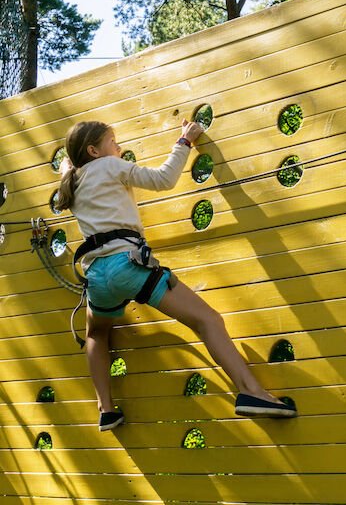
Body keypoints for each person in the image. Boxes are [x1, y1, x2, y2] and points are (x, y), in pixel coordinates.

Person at [58, 119, 297, 431]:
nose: (119, 148)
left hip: (96, 277)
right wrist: (184, 141)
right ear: (94, 150)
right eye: (113, 142)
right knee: (208, 320)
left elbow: (68, 168)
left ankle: (106, 409)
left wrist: (68, 165)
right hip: (127, 266)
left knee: (96, 334)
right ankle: (251, 392)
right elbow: (163, 179)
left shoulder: (72, 181)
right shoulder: (109, 165)